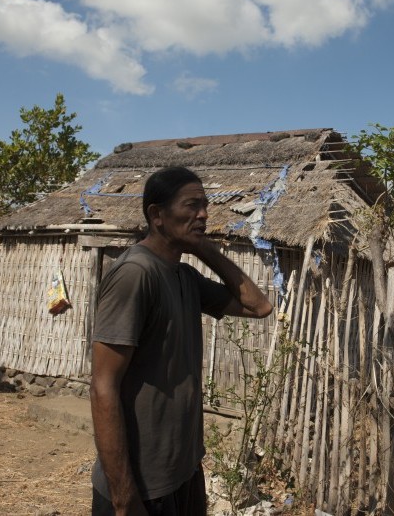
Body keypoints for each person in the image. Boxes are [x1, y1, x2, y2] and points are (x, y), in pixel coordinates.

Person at [90, 166, 273, 515]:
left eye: (204, 205)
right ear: (157, 215)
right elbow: (102, 386)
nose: (203, 214)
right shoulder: (135, 274)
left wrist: (202, 247)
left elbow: (259, 306)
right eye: (191, 206)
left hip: (183, 472)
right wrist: (124, 497)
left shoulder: (185, 276)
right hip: (141, 486)